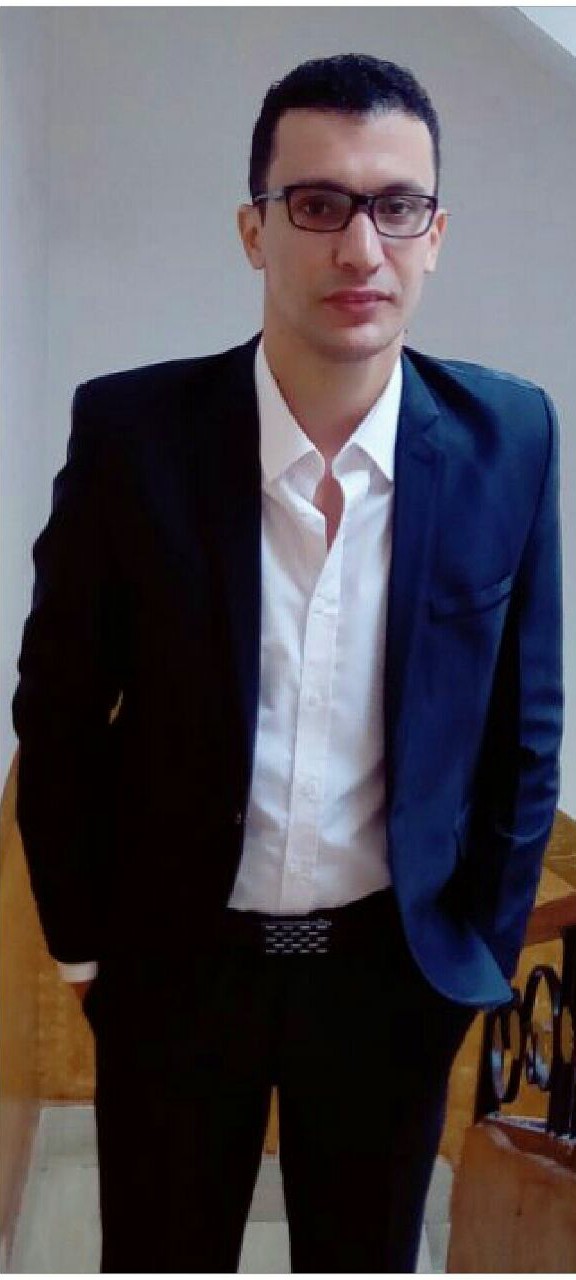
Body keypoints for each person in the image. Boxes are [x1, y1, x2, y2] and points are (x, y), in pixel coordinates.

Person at [13, 53, 563, 1273]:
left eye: (397, 205)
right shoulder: (133, 435)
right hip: (176, 966)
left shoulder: (511, 440)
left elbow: (528, 729)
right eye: (318, 203)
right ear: (255, 230)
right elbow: (57, 710)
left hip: (390, 978)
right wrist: (84, 948)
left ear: (434, 235)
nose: (360, 247)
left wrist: (473, 951)